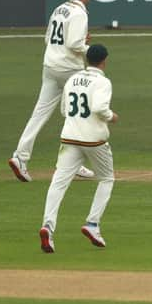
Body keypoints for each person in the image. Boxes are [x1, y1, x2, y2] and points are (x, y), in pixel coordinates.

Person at [9, 0, 95, 182]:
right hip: (69, 69)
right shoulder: (80, 12)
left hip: (50, 66)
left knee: (39, 114)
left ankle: (20, 157)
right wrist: (90, 49)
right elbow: (75, 44)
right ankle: (72, 164)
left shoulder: (59, 9)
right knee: (77, 115)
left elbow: (48, 38)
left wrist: (79, 41)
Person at [38, 44, 118, 253]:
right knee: (107, 179)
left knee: (58, 182)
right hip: (94, 140)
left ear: (87, 59)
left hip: (70, 137)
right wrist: (111, 116)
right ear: (104, 61)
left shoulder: (73, 79)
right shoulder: (103, 82)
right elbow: (100, 108)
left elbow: (64, 110)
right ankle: (92, 224)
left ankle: (48, 226)